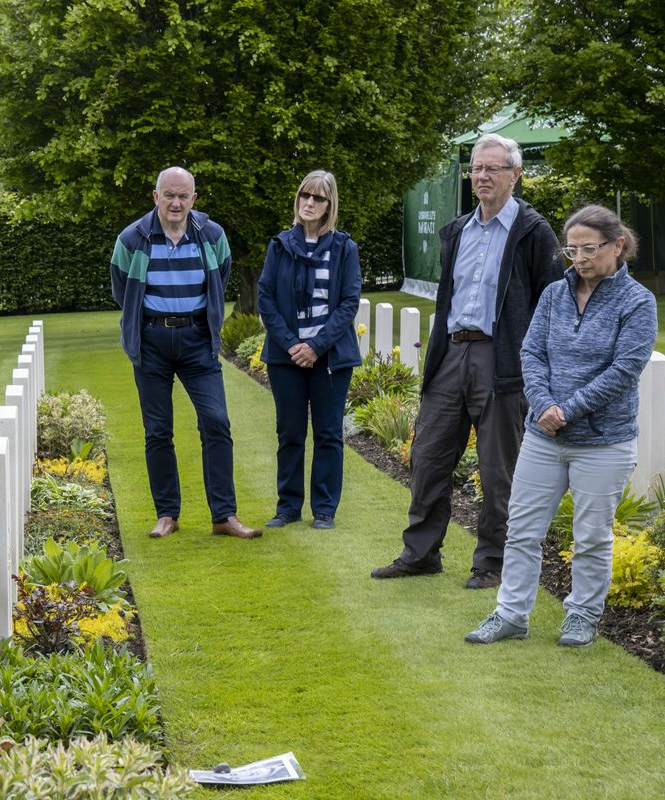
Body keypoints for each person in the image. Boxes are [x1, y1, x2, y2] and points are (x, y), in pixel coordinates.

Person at [372, 133, 563, 589]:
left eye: (493, 168)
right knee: (427, 455)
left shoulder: (534, 232)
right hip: (451, 354)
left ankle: (492, 562)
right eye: (477, 168)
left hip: (503, 361)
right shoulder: (458, 230)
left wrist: (539, 369)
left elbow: (552, 303)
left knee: (499, 468)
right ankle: (421, 554)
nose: (481, 176)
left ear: (515, 175)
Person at [465, 204, 657, 647]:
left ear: (618, 245)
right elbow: (531, 354)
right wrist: (544, 404)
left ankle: (583, 615)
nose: (580, 259)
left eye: (589, 249)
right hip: (543, 436)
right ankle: (510, 614)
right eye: (571, 250)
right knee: (523, 528)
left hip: (602, 442)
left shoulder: (637, 302)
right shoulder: (554, 295)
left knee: (590, 536)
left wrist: (566, 410)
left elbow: (624, 370)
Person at [110, 166, 260, 540]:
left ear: (194, 199)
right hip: (151, 342)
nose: (176, 203)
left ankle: (224, 516)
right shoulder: (132, 239)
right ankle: (167, 515)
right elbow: (121, 289)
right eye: (169, 195)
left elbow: (219, 277)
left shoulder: (211, 236)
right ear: (155, 196)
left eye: (183, 196)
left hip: (197, 339)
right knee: (158, 430)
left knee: (216, 421)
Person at [256, 170, 361, 530]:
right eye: (305, 196)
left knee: (329, 433)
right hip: (286, 356)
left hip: (330, 357)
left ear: (329, 204)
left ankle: (325, 509)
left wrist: (316, 346)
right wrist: (291, 344)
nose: (309, 203)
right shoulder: (280, 245)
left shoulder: (344, 248)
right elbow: (265, 298)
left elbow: (349, 303)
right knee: (290, 432)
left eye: (317, 198)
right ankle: (288, 507)